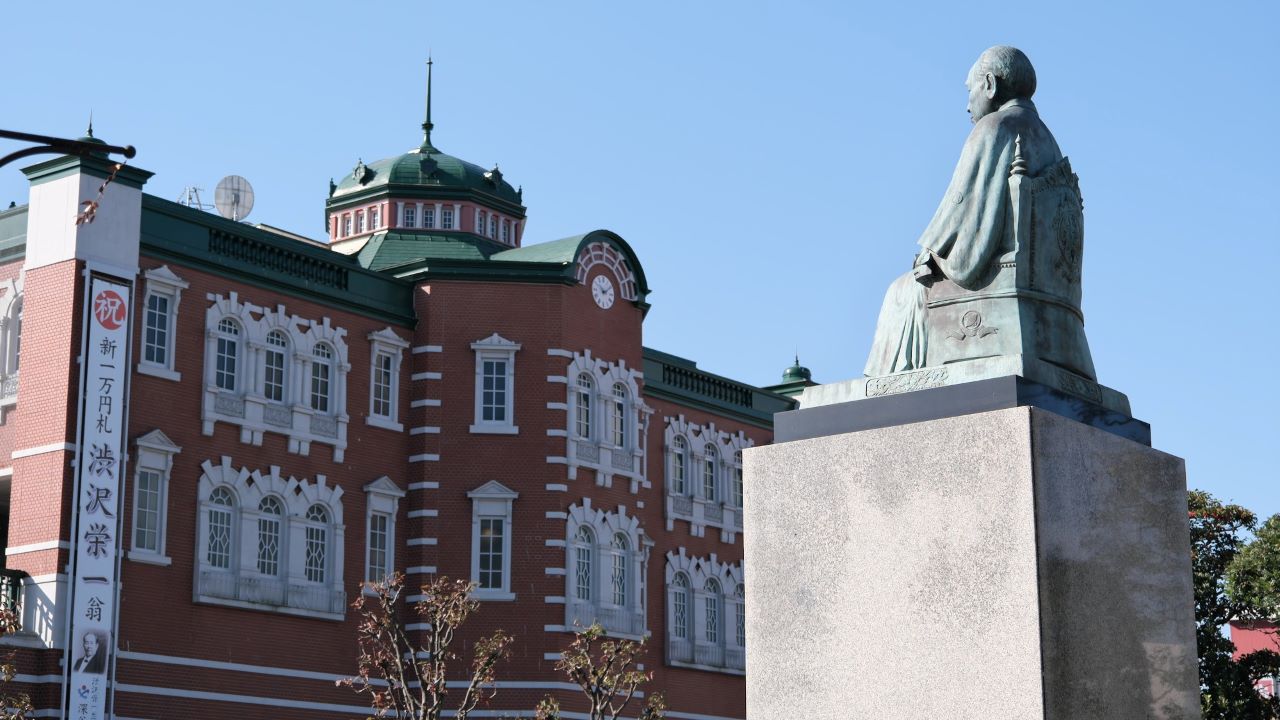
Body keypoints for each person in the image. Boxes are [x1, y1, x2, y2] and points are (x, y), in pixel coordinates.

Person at [864, 46, 1064, 377]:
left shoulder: (993, 128)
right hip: (1047, 291)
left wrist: (931, 253)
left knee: (902, 291)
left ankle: (891, 385)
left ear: (989, 84)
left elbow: (962, 215)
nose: (967, 102)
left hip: (994, 277)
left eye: (969, 88)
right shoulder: (1048, 140)